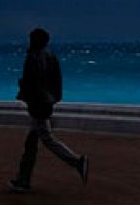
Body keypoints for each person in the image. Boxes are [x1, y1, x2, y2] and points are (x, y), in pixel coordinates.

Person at [9, 28, 89, 193]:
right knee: (31, 142)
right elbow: (57, 82)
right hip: (46, 102)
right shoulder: (52, 57)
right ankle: (23, 180)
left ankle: (77, 162)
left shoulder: (33, 58)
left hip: (38, 105)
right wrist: (54, 99)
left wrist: (23, 90)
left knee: (46, 138)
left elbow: (31, 83)